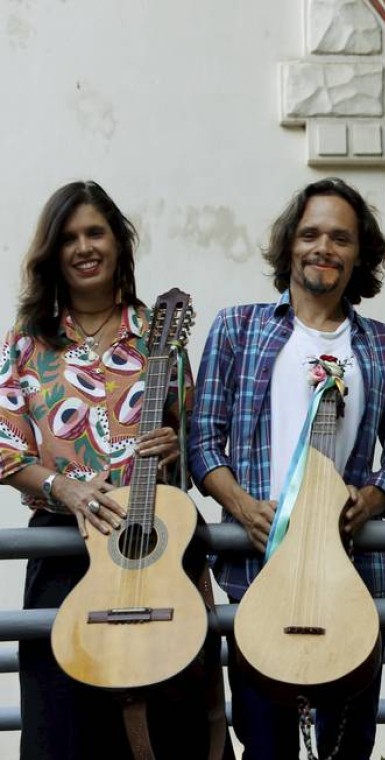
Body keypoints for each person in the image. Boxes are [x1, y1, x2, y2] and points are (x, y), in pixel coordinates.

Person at [0, 181, 227, 759]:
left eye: (95, 233)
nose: (83, 247)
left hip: (156, 543)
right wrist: (64, 488)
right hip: (64, 548)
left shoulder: (159, 333)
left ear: (118, 243)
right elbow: (5, 449)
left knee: (168, 713)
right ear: (53, 252)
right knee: (65, 721)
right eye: (69, 237)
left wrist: (175, 446)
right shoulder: (28, 344)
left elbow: (193, 436)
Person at [189, 178, 385, 758]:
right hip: (257, 573)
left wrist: (376, 499)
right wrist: (241, 506)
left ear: (358, 254)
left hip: (354, 574)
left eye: (340, 237)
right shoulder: (238, 329)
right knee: (266, 744)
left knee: (349, 741)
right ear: (289, 244)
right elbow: (202, 442)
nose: (324, 248)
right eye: (311, 234)